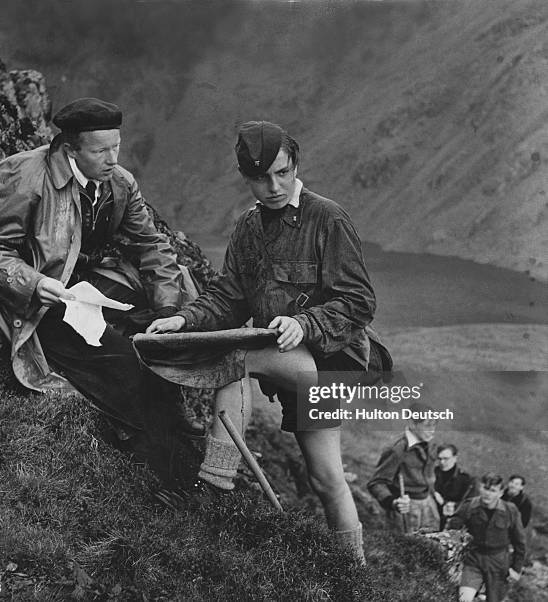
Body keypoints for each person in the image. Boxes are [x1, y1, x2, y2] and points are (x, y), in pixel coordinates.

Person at [147, 120, 391, 563]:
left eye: (282, 173)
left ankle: (216, 488)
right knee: (324, 475)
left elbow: (359, 301)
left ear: (295, 164)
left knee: (238, 360)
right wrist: (183, 319)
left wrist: (307, 324)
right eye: (260, 178)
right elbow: (228, 297)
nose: (273, 186)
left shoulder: (327, 217)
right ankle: (353, 571)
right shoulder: (248, 228)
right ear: (246, 178)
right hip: (289, 360)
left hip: (336, 359)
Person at [0, 97, 197, 434]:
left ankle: (169, 408)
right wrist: (35, 283)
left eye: (116, 147)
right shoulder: (22, 174)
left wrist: (166, 314)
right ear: (72, 150)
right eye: (100, 151)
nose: (112, 159)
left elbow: (152, 246)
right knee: (121, 360)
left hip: (86, 284)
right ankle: (145, 432)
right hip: (41, 297)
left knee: (176, 312)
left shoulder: (119, 183)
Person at [448, 472, 526, 602]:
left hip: (499, 563)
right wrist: (453, 561)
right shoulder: (469, 506)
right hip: (473, 559)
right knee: (463, 599)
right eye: (485, 488)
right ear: (480, 488)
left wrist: (516, 569)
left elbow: (520, 542)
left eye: (492, 490)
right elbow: (452, 531)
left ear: (500, 493)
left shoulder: (510, 510)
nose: (487, 493)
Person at [367, 404, 441, 533]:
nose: (432, 430)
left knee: (432, 546)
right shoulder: (397, 449)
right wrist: (393, 502)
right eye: (428, 425)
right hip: (406, 510)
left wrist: (433, 493)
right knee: (406, 548)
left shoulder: (430, 444)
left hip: (429, 505)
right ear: (412, 423)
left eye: (434, 425)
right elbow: (376, 483)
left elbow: (428, 474)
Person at [434, 443, 476, 530]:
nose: (442, 462)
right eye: (439, 459)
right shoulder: (431, 474)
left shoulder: (465, 479)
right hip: (433, 517)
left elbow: (470, 502)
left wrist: (451, 504)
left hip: (454, 521)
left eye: (446, 459)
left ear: (455, 458)